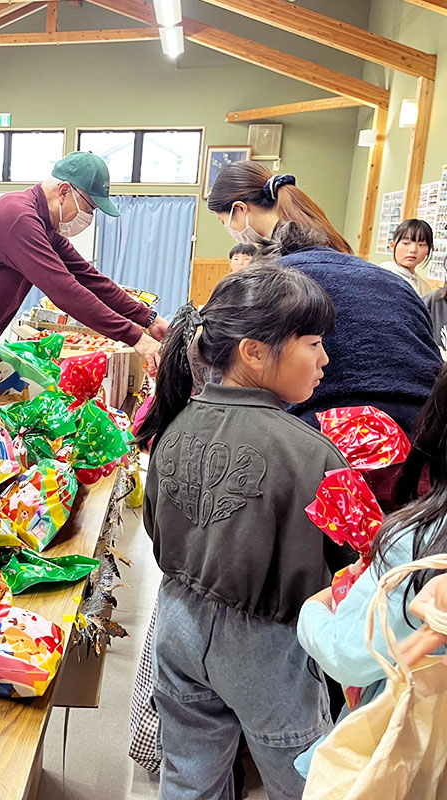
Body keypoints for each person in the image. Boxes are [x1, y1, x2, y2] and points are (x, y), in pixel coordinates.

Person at [137, 265, 353, 800]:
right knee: (301, 777)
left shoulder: (173, 428)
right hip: (268, 645)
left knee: (188, 770)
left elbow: (155, 529)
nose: (324, 359)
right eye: (313, 343)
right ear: (254, 351)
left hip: (177, 622)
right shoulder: (313, 453)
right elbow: (350, 561)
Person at [0, 151, 169, 445]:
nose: (89, 218)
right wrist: (136, 338)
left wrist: (149, 319)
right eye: (89, 207)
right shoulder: (19, 217)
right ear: (64, 191)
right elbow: (65, 290)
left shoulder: (43, 224)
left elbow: (89, 278)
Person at [209, 162, 442, 439]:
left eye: (223, 222)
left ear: (239, 210)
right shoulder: (394, 283)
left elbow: (228, 385)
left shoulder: (271, 283)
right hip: (425, 440)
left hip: (321, 444)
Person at [296, 361, 447, 775]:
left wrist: (316, 604)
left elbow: (349, 653)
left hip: (407, 749)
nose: (323, 358)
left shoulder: (415, 541)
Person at [207, 160, 352, 254]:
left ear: (240, 208)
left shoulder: (282, 269)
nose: (228, 227)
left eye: (223, 221)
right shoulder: (319, 244)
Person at [378, 218, 434, 297]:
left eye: (421, 244)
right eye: (406, 243)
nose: (413, 250)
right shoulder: (381, 275)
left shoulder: (425, 287)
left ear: (429, 249)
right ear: (392, 246)